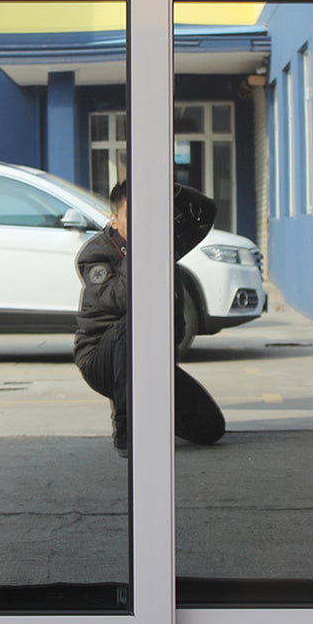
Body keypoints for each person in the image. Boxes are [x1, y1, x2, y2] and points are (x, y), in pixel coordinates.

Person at [73, 179, 225, 457]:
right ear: (114, 220)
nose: (142, 224)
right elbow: (122, 298)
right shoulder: (95, 254)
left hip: (152, 359)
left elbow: (205, 213)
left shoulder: (162, 241)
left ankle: (150, 413)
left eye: (147, 216)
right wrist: (141, 247)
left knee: (210, 428)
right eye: (133, 216)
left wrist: (173, 190)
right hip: (101, 358)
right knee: (135, 322)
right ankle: (125, 426)